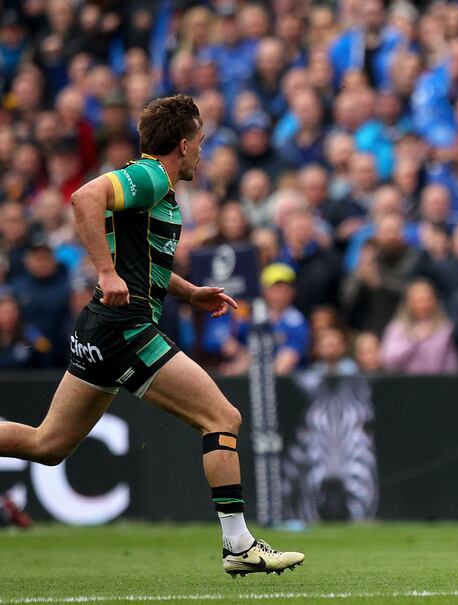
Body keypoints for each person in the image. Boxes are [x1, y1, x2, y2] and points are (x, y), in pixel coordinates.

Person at [0, 96, 303, 576]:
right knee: (221, 417)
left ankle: (239, 546)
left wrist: (188, 292)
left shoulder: (153, 187)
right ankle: (239, 546)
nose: (201, 151)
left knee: (48, 446)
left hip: (103, 323)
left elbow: (138, 263)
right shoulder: (152, 176)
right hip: (127, 327)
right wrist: (105, 270)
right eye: (200, 141)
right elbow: (83, 198)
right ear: (183, 145)